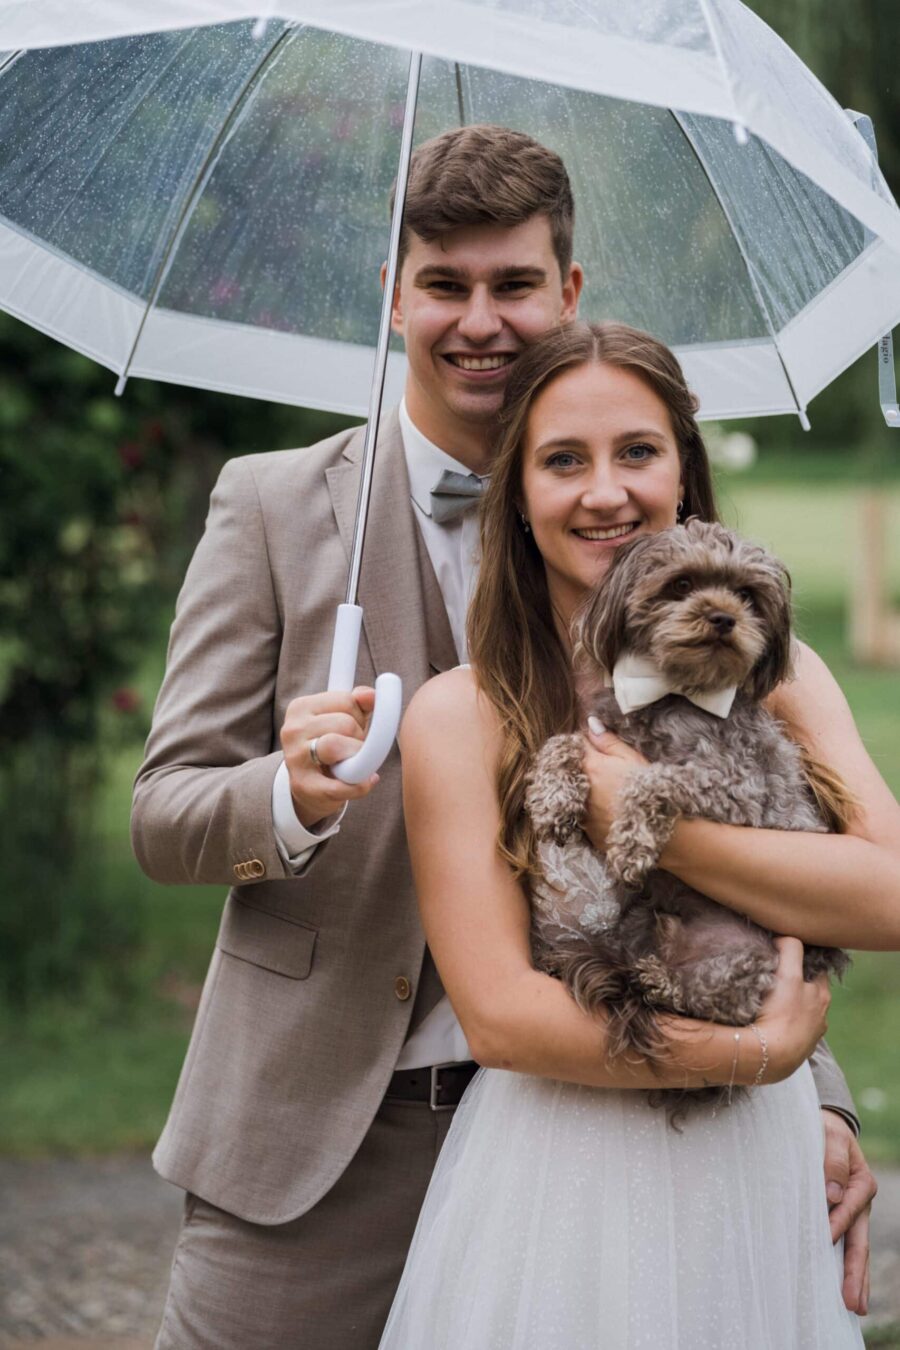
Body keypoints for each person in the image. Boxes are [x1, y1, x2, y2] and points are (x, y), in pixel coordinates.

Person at [132, 128, 875, 1348]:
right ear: (396, 294)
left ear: (566, 291)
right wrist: (291, 795)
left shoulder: (651, 556)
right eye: (445, 284)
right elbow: (163, 814)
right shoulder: (270, 506)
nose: (480, 319)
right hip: (321, 1144)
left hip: (601, 1139)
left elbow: (762, 814)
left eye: (515, 284)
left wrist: (810, 1092)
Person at [381, 321, 900, 1349]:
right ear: (518, 496)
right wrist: (756, 1051)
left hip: (752, 1162)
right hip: (565, 1166)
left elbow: (887, 894)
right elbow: (503, 1018)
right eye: (563, 460)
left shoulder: (780, 683)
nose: (605, 491)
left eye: (639, 452)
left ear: (685, 475)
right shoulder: (463, 713)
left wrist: (661, 832)